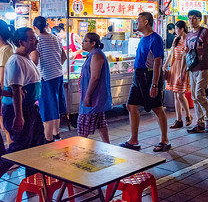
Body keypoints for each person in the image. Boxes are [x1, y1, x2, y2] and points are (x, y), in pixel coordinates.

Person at [121, 12, 170, 152]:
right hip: (138, 76)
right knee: (131, 106)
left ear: (146, 22)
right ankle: (134, 140)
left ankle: (165, 140)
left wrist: (154, 84)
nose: (137, 23)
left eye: (139, 21)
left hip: (149, 76)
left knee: (157, 108)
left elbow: (157, 63)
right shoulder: (142, 39)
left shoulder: (155, 39)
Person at [0, 28, 44, 177]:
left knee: (35, 145)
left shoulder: (27, 58)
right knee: (20, 147)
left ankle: (32, 181)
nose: (36, 41)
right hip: (18, 110)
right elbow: (17, 90)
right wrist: (19, 116)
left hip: (30, 108)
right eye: (32, 39)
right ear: (21, 42)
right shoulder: (16, 61)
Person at [31, 16, 67, 143]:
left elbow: (34, 61)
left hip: (46, 77)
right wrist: (56, 65)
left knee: (46, 109)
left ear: (35, 27)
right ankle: (56, 134)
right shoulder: (55, 38)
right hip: (58, 75)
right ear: (46, 26)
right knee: (55, 107)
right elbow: (64, 56)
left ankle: (48, 139)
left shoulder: (37, 40)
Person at [183, 10, 208, 133]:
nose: (192, 20)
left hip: (205, 67)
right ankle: (200, 122)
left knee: (199, 94)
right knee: (194, 96)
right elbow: (186, 52)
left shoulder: (205, 32)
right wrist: (184, 69)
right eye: (190, 18)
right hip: (192, 68)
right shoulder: (188, 35)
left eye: (194, 18)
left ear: (199, 19)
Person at [78, 33, 112, 143]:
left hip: (94, 96)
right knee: (100, 122)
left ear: (93, 43)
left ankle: (81, 148)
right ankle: (107, 144)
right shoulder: (92, 55)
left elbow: (95, 77)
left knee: (84, 123)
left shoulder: (96, 56)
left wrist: (87, 96)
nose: (83, 43)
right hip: (96, 97)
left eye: (85, 41)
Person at [163, 21, 192, 128]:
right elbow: (171, 53)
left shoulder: (188, 40)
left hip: (182, 68)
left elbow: (186, 57)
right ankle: (178, 119)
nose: (175, 31)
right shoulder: (177, 39)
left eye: (177, 29)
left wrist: (182, 72)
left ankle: (188, 116)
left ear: (182, 29)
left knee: (180, 94)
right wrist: (165, 66)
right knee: (175, 94)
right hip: (174, 67)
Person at [0, 20, 14, 148]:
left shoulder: (5, 50)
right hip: (5, 93)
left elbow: (2, 76)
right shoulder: (6, 48)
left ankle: (12, 153)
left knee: (6, 126)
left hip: (4, 94)